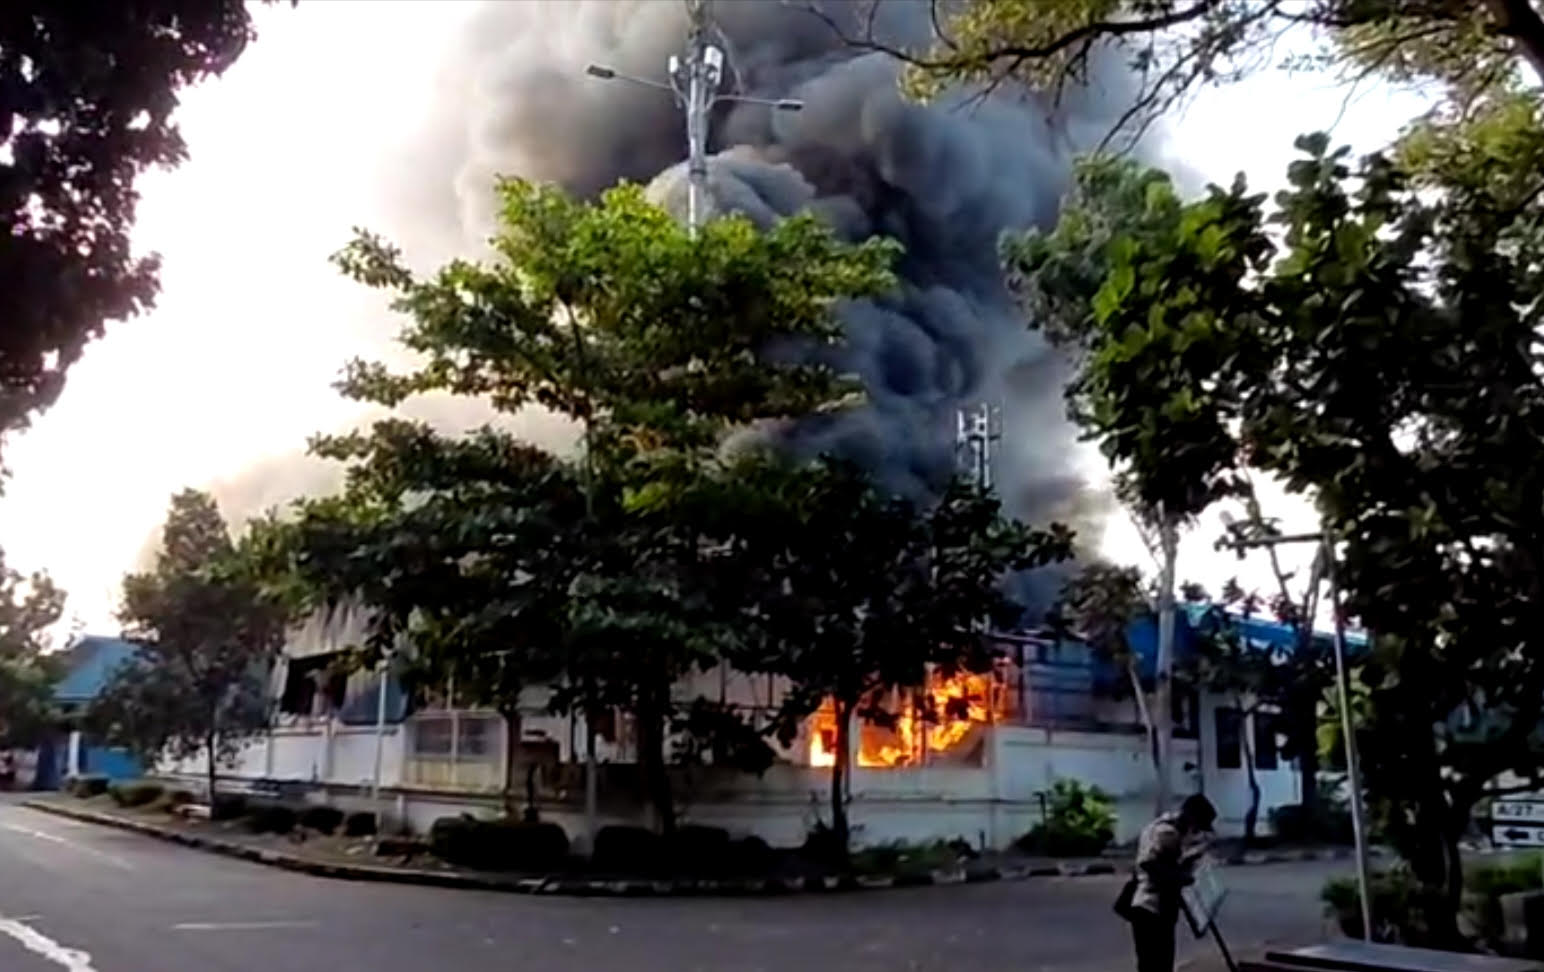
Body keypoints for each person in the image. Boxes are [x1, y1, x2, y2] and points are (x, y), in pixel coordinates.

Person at [1123, 793, 1217, 972]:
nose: (1196, 831)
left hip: (1158, 909)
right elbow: (1148, 864)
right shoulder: (1165, 831)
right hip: (1151, 908)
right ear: (1191, 817)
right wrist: (1181, 877)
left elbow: (1167, 860)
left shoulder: (1169, 828)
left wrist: (1189, 859)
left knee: (1160, 964)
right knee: (1154, 964)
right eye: (1198, 826)